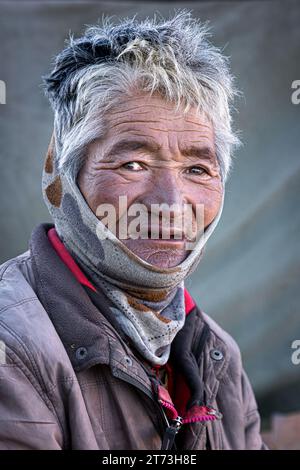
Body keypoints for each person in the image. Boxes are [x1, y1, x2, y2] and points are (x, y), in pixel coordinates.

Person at [0, 11, 267, 449]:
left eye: (198, 169)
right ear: (58, 175)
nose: (170, 202)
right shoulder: (13, 347)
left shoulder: (217, 357)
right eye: (133, 164)